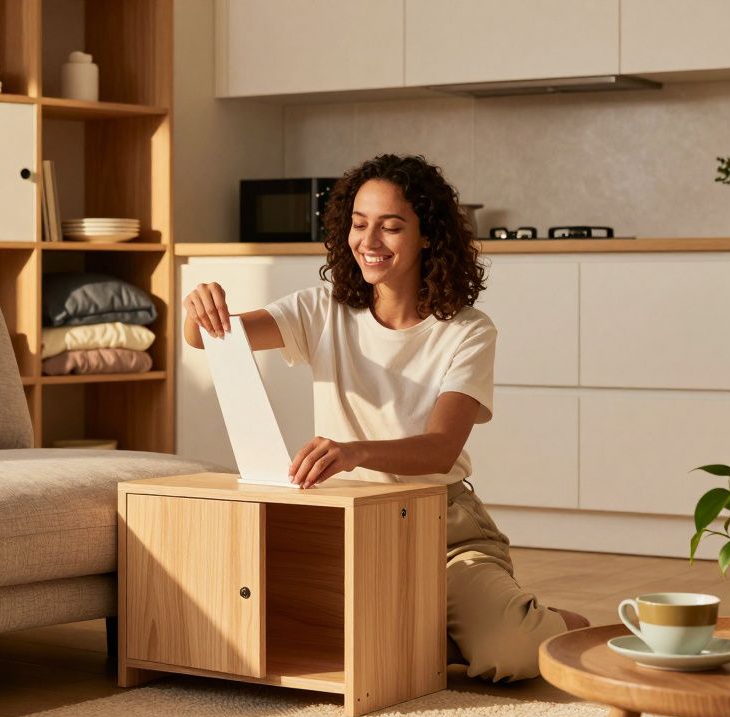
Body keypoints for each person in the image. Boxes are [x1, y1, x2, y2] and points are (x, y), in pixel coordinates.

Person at [182, 153, 589, 683]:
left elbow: (441, 448)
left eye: (391, 227)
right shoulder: (320, 309)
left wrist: (354, 452)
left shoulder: (467, 331)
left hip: (442, 530)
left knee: (512, 652)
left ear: (427, 236)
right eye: (359, 224)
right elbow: (212, 339)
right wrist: (200, 310)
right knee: (286, 631)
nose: (369, 241)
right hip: (347, 523)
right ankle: (433, 630)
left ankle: (547, 623)